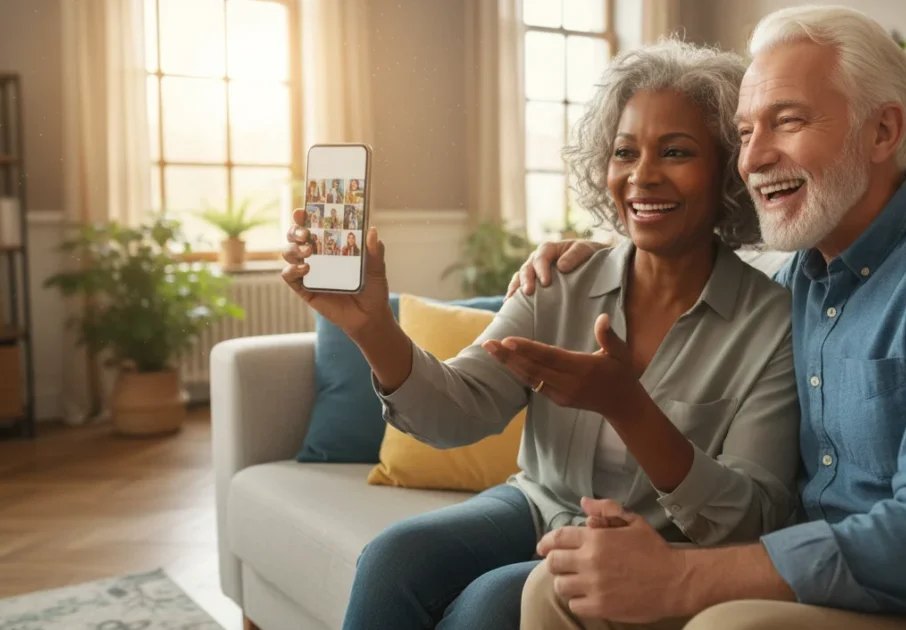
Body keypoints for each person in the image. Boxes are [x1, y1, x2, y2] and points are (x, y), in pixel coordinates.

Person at [510, 6, 906, 630]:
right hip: (823, 591)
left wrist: (683, 576)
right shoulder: (792, 284)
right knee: (557, 588)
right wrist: (603, 257)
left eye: (787, 121)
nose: (752, 159)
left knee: (731, 628)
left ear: (883, 131)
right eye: (746, 132)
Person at [280, 41, 802, 630]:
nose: (642, 176)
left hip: (660, 541)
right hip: (538, 503)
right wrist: (372, 325)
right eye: (624, 152)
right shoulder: (561, 281)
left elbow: (751, 517)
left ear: (730, 166)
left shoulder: (771, 323)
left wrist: (628, 408)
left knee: (489, 606)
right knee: (392, 558)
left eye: (675, 152)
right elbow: (456, 413)